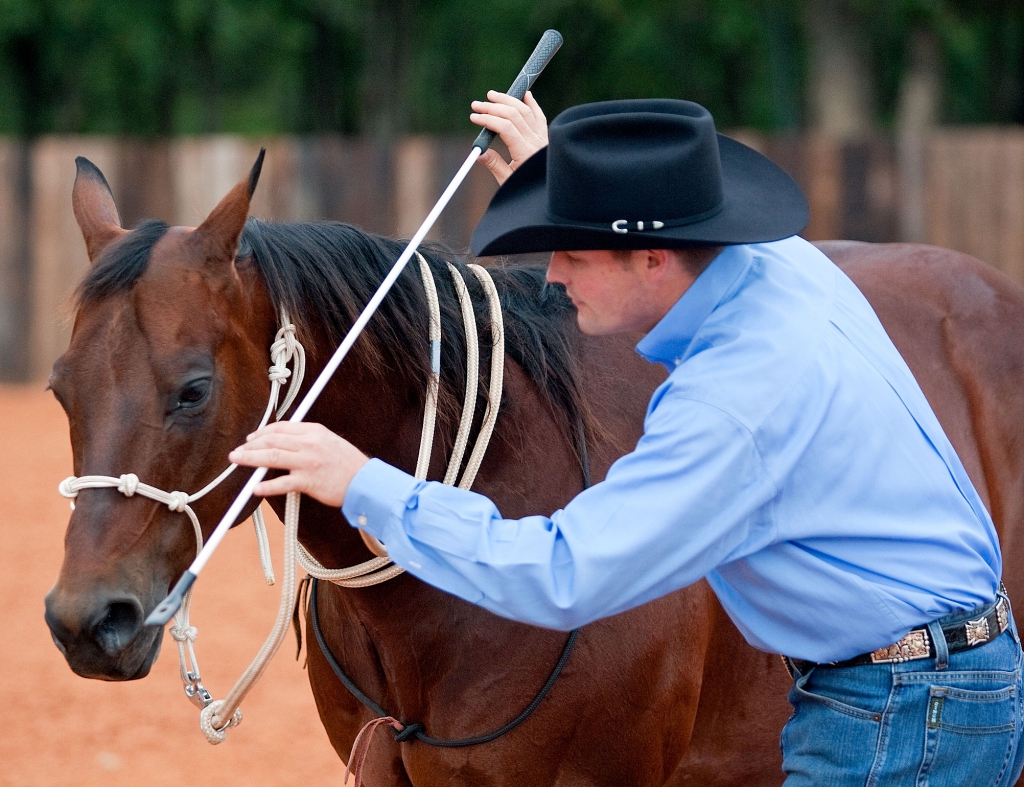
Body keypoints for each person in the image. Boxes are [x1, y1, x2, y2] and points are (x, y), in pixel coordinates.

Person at [230, 91, 1024, 785]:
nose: (550, 275)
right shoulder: (767, 263)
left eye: (573, 251)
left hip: (900, 714)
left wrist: (365, 482)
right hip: (921, 685)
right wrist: (565, 185)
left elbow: (567, 572)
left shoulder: (734, 400)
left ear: (653, 256)